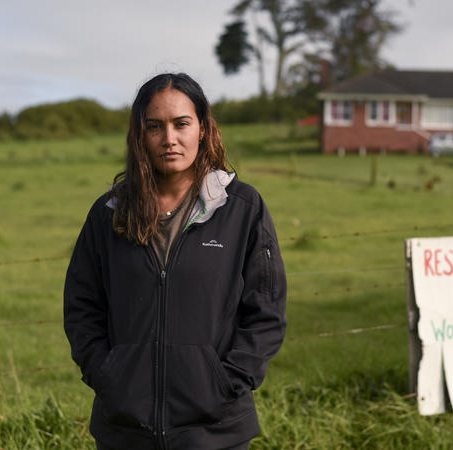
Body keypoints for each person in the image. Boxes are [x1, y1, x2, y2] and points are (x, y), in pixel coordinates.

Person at [63, 73, 287, 449]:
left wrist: (226, 382)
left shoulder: (242, 209)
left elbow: (266, 310)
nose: (169, 139)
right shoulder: (109, 214)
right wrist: (109, 375)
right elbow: (82, 306)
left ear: (202, 128)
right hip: (125, 431)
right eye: (155, 127)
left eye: (181, 123)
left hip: (216, 431)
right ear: (140, 136)